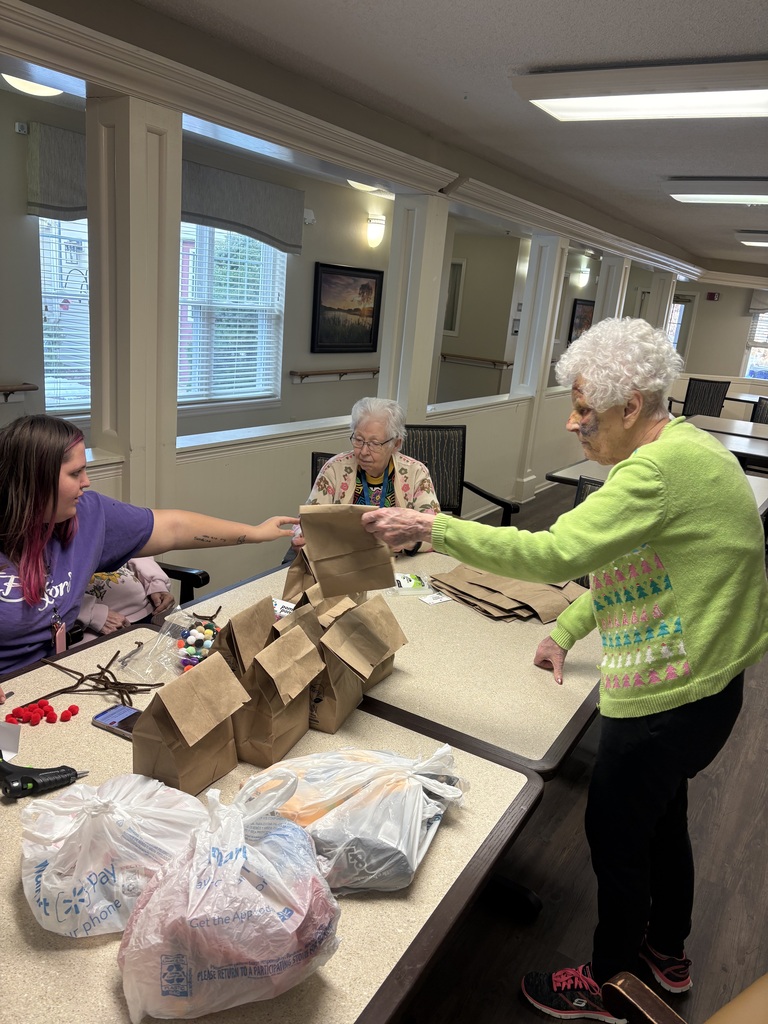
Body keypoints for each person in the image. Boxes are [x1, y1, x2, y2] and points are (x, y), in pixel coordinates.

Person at [361, 317, 768, 1023]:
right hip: (709, 689)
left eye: (584, 409)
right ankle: (666, 956)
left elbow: (551, 554)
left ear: (630, 407)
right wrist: (569, 628)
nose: (572, 423)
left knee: (618, 840)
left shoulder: (654, 472)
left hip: (669, 698)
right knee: (662, 822)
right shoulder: (691, 449)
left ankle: (609, 986)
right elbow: (634, 564)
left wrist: (431, 526)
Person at [0, 414, 298, 690]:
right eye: (75, 473)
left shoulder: (88, 515)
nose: (86, 482)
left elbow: (174, 528)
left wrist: (255, 533)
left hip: (53, 674)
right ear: (34, 481)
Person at [290, 396, 440, 558]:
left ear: (396, 444)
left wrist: (408, 540)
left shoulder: (416, 472)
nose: (363, 451)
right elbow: (304, 522)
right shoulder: (334, 469)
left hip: (398, 563)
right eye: (358, 440)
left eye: (374, 443)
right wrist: (301, 538)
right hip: (344, 561)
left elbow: (435, 532)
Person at [76, 556, 176, 640]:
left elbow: (136, 549)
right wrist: (94, 614)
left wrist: (155, 583)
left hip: (150, 610)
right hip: (95, 627)